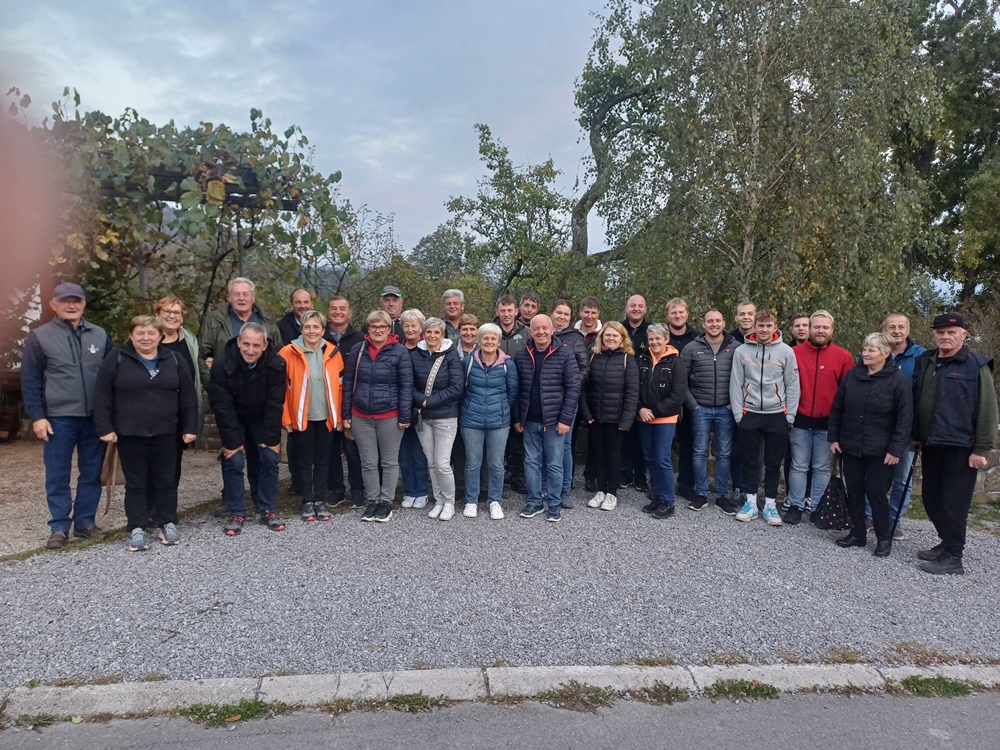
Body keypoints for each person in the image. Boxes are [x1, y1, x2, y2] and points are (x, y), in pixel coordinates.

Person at [93, 315, 198, 551]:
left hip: (167, 433)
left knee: (166, 481)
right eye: (140, 333)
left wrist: (190, 427)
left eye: (151, 333)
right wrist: (105, 428)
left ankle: (167, 523)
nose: (146, 338)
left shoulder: (174, 359)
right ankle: (136, 528)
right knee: (136, 484)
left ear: (160, 336)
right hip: (130, 434)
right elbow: (101, 395)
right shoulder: (116, 359)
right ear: (131, 335)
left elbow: (188, 397)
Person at [21, 283, 113, 549]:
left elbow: (110, 377)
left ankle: (85, 523)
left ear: (84, 304)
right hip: (57, 418)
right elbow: (30, 379)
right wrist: (38, 416)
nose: (71, 305)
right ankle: (59, 527)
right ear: (54, 305)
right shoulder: (40, 337)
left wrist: (110, 416)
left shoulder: (99, 335)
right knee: (57, 474)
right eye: (65, 301)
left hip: (94, 418)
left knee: (92, 473)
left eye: (76, 300)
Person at [911, 313, 998, 575]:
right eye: (940, 332)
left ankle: (954, 556)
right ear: (934, 334)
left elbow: (988, 410)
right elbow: (918, 400)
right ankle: (946, 542)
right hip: (932, 443)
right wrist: (915, 435)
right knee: (931, 497)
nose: (945, 336)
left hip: (961, 446)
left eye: (951, 332)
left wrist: (981, 449)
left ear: (964, 334)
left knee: (953, 501)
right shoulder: (926, 361)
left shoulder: (977, 365)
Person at [829, 332, 913, 558]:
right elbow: (838, 408)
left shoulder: (898, 381)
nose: (865, 353)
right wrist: (834, 437)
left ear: (884, 353)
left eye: (871, 350)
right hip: (851, 445)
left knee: (877, 494)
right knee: (854, 490)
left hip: (881, 450)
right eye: (864, 349)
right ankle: (857, 533)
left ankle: (884, 538)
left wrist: (896, 449)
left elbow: (905, 419)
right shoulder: (853, 376)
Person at [207, 323, 287, 536]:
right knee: (233, 459)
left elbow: (275, 403)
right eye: (246, 344)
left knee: (269, 457)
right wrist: (233, 442)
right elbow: (221, 406)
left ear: (265, 345)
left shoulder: (277, 364)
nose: (250, 350)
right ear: (239, 342)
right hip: (233, 415)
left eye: (256, 345)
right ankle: (236, 511)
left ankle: (268, 508)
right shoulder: (222, 363)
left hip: (262, 416)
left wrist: (272, 438)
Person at [729, 310, 800, 526]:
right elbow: (736, 384)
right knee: (750, 461)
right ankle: (750, 503)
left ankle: (770, 504)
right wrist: (739, 415)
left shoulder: (786, 351)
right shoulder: (741, 351)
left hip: (777, 414)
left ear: (775, 327)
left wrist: (790, 415)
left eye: (769, 326)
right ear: (755, 327)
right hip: (750, 413)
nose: (764, 330)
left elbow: (792, 384)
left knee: (773, 463)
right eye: (760, 325)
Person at [342, 310, 413, 523]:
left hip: (390, 415)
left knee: (389, 461)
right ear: (368, 328)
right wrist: (346, 413)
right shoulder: (359, 349)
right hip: (361, 414)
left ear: (389, 328)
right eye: (373, 326)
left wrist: (405, 415)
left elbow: (406, 385)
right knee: (368, 462)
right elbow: (348, 382)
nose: (378, 330)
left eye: (382, 326)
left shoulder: (400, 351)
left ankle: (386, 502)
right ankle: (373, 500)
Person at [784, 311, 854, 525]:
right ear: (809, 328)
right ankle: (795, 505)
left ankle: (817, 507)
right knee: (798, 465)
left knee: (822, 467)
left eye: (825, 327)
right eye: (816, 327)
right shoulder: (793, 353)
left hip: (827, 423)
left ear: (832, 330)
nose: (820, 331)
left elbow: (848, 392)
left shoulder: (843, 357)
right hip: (800, 420)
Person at [513, 315, 581, 522]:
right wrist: (517, 418)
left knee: (554, 464)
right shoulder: (522, 354)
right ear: (531, 331)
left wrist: (566, 419)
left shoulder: (565, 353)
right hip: (529, 419)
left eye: (544, 328)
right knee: (531, 462)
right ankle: (534, 502)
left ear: (552, 330)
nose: (540, 332)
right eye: (536, 328)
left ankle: (554, 504)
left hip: (554, 420)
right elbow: (516, 389)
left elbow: (573, 387)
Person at [280, 310, 344, 523]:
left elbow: (341, 387)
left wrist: (340, 416)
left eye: (316, 327)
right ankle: (307, 500)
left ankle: (320, 500)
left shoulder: (333, 352)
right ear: (301, 329)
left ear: (323, 330)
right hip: (300, 417)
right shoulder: (288, 352)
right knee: (304, 461)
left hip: (326, 416)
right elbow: (280, 390)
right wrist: (286, 418)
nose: (312, 331)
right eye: (307, 327)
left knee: (323, 460)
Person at [871, 313, 927, 538]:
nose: (896, 331)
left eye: (901, 327)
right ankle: (870, 516)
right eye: (891, 327)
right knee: (873, 475)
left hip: (906, 429)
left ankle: (894, 520)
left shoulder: (921, 356)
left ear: (908, 330)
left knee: (902, 478)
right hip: (875, 428)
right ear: (883, 329)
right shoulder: (872, 352)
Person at [681, 309, 739, 514]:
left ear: (724, 323)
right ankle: (701, 494)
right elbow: (681, 381)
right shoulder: (691, 348)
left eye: (717, 321)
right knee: (699, 451)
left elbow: (743, 378)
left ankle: (722, 495)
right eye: (710, 321)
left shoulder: (736, 348)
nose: (714, 324)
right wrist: (693, 405)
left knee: (724, 453)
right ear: (703, 324)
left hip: (726, 408)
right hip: (701, 408)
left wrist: (733, 403)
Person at [152, 295, 203, 523]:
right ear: (157, 314)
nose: (172, 316)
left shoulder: (189, 340)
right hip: (150, 412)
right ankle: (148, 509)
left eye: (177, 312)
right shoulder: (147, 337)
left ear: (182, 317)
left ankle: (166, 510)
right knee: (149, 464)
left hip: (179, 414)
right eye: (167, 311)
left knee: (172, 465)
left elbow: (196, 373)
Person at [460, 323, 519, 520]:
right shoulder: (468, 362)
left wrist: (501, 409)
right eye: (485, 338)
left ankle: (495, 501)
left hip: (499, 421)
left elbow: (512, 392)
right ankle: (471, 501)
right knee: (472, 463)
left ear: (499, 342)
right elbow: (462, 390)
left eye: (493, 338)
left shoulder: (507, 364)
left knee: (496, 463)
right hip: (471, 420)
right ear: (479, 340)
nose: (489, 341)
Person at [410, 317, 464, 520]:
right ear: (423, 334)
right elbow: (408, 384)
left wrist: (428, 402)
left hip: (445, 417)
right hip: (423, 418)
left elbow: (457, 387)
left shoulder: (451, 356)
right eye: (429, 332)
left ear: (442, 335)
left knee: (442, 463)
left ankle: (449, 502)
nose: (432, 336)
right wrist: (421, 401)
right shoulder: (415, 356)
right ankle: (439, 500)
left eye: (436, 332)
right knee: (431, 462)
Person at [581, 321, 639, 511]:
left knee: (613, 455)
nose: (611, 338)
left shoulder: (628, 359)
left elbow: (632, 392)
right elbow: (584, 388)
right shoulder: (593, 356)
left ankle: (611, 493)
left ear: (622, 338)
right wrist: (587, 414)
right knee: (597, 454)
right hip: (595, 416)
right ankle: (600, 490)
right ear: (602, 337)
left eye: (615, 335)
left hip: (617, 418)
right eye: (608, 335)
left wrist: (626, 420)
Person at [635, 324, 688, 519]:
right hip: (643, 417)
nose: (654, 342)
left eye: (658, 338)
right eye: (651, 339)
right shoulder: (641, 360)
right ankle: (657, 496)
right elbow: (633, 388)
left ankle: (668, 501)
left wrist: (655, 411)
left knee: (662, 459)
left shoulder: (676, 362)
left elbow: (678, 395)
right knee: (650, 458)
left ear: (666, 339)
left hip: (665, 418)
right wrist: (640, 408)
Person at [199, 277, 280, 385]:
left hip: (262, 386)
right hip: (226, 387)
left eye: (245, 294)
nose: (241, 298)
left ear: (253, 297)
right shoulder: (214, 320)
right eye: (236, 294)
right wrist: (213, 386)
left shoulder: (267, 320)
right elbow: (202, 356)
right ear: (229, 297)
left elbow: (279, 353)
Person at [325, 296, 366, 508]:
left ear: (350, 313)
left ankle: (357, 489)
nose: (338, 312)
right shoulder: (319, 337)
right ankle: (336, 489)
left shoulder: (360, 339)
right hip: (327, 404)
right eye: (334, 308)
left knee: (352, 449)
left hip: (352, 403)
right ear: (328, 312)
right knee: (331, 450)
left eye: (342, 308)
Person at [551, 299, 591, 506]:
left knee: (565, 445)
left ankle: (565, 489)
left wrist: (568, 388)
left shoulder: (575, 339)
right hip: (544, 399)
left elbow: (584, 368)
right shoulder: (542, 333)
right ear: (551, 313)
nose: (562, 317)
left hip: (567, 399)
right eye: (559, 312)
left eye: (566, 314)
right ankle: (547, 487)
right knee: (546, 444)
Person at [276, 288, 314, 495]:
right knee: (294, 439)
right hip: (293, 388)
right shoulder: (282, 327)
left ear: (311, 304)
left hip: (316, 387)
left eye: (306, 302)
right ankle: (297, 480)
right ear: (292, 305)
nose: (302, 306)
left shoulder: (319, 324)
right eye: (298, 302)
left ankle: (319, 481)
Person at [666, 298, 699, 501]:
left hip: (689, 399)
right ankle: (662, 485)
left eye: (681, 312)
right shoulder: (660, 336)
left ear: (687, 314)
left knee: (688, 443)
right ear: (667, 315)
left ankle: (686, 484)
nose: (677, 316)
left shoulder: (697, 337)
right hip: (664, 399)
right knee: (662, 446)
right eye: (673, 312)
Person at [494, 295, 528, 493]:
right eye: (502, 310)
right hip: (496, 391)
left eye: (510, 310)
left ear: (516, 311)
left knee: (518, 436)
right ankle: (497, 476)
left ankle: (516, 476)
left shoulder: (527, 333)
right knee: (498, 437)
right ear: (497, 312)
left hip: (521, 390)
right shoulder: (491, 331)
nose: (506, 314)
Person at [398, 308, 431, 509]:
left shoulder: (426, 351)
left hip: (420, 409)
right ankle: (409, 490)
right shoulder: (397, 349)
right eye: (406, 325)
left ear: (421, 328)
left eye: (414, 325)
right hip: (399, 409)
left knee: (419, 453)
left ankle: (422, 491)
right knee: (403, 453)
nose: (410, 329)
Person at [621, 295, 650, 493]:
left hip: (645, 389)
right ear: (626, 308)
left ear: (645, 309)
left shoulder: (651, 331)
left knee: (642, 436)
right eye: (633, 305)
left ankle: (640, 475)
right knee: (624, 434)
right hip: (621, 389)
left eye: (640, 306)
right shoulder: (618, 329)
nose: (636, 309)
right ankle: (625, 472)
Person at [575, 296, 603, 492]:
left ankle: (590, 476)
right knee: (569, 436)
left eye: (593, 312)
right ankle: (566, 476)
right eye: (586, 312)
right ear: (580, 312)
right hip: (572, 389)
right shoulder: (572, 332)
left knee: (595, 438)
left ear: (598, 314)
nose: (589, 316)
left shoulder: (604, 333)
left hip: (594, 390)